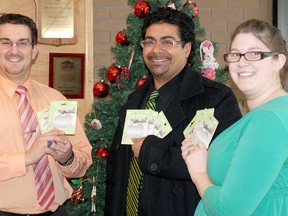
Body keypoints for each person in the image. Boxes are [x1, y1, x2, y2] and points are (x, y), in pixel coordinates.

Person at [105, 7, 242, 216]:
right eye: (149, 42)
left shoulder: (215, 99)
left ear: (186, 48)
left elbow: (220, 167)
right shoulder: (133, 102)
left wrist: (150, 152)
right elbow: (118, 175)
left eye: (167, 42)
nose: (156, 50)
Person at [182, 19, 288, 216]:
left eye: (255, 54)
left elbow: (229, 210)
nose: (242, 62)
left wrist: (198, 173)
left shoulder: (269, 119)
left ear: (278, 61)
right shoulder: (271, 113)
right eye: (235, 54)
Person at [0, 13, 92, 215]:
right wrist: (27, 157)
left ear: (34, 51)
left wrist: (67, 157)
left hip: (56, 211)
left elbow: (83, 159)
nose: (14, 51)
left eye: (22, 43)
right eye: (6, 42)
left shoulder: (55, 98)